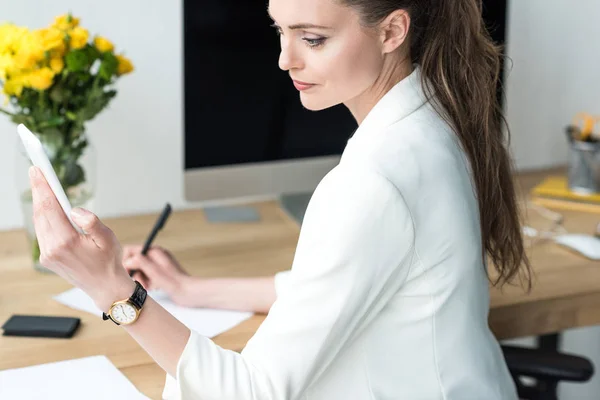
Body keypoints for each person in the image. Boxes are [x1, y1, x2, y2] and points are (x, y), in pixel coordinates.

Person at [28, 0, 532, 398]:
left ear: (391, 32)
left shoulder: (372, 183)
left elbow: (253, 392)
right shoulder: (434, 119)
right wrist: (192, 289)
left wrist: (112, 290)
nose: (284, 59)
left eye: (312, 38)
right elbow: (330, 285)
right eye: (280, 30)